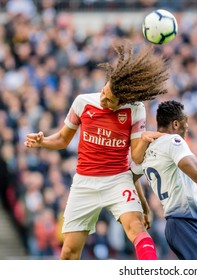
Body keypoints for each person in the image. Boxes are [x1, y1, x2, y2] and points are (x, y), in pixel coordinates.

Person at [24, 40, 169, 260]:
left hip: (117, 180)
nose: (103, 99)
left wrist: (144, 140)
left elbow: (136, 158)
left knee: (136, 228)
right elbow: (63, 140)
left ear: (123, 101)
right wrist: (42, 141)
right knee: (69, 252)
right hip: (84, 182)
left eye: (109, 99)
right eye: (103, 91)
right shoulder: (83, 102)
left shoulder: (136, 110)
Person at [132, 100, 197, 260]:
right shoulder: (173, 141)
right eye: (185, 122)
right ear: (175, 124)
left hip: (175, 225)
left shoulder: (148, 150)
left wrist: (145, 208)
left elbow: (131, 176)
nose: (187, 127)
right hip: (187, 222)